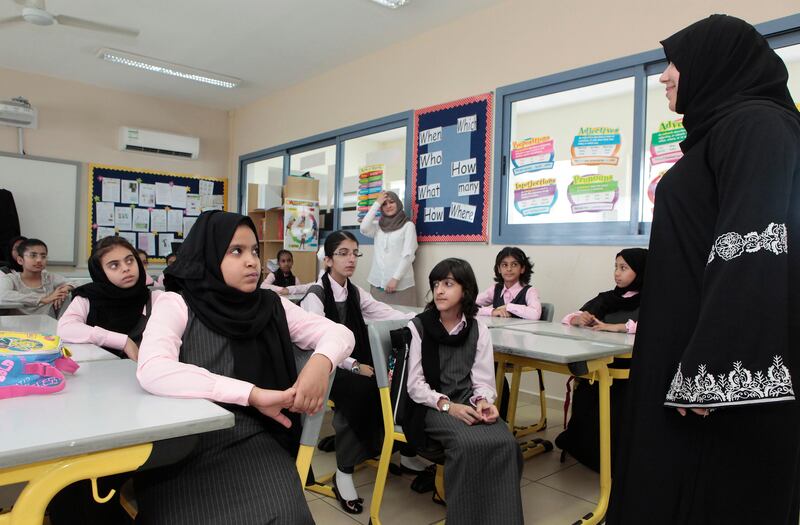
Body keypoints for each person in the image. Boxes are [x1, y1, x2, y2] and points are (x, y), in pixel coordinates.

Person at [607, 15, 800, 525]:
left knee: (715, 491)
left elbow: (755, 251)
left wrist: (713, 369)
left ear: (715, 65)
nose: (666, 76)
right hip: (687, 345)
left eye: (675, 63)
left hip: (720, 370)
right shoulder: (724, 131)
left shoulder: (758, 126)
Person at [134, 210, 355, 525]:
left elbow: (339, 333)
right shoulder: (176, 304)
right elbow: (153, 369)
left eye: (254, 251)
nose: (252, 261)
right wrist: (250, 394)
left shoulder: (270, 305)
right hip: (184, 441)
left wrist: (320, 363)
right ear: (208, 254)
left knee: (289, 515)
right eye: (236, 251)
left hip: (252, 437)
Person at [300, 230, 420, 514]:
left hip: (352, 363)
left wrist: (423, 318)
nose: (351, 259)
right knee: (363, 391)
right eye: (343, 253)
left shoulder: (354, 291)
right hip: (325, 366)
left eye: (355, 252)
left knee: (395, 383)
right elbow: (319, 343)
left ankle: (396, 449)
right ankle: (344, 471)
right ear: (328, 260)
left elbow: (384, 312)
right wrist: (353, 364)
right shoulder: (315, 295)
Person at [404, 258, 524, 524]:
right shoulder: (419, 326)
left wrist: (483, 401)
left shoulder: (478, 328)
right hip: (431, 406)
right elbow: (415, 385)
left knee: (506, 443)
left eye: (448, 284)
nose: (439, 290)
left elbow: (481, 379)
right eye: (436, 284)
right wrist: (449, 406)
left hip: (466, 402)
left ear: (466, 290)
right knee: (467, 444)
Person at [57, 236, 162, 360]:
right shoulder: (88, 297)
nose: (126, 268)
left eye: (130, 261)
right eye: (114, 266)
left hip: (144, 372)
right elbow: (65, 329)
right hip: (97, 372)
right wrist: (122, 341)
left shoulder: (156, 298)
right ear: (100, 271)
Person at [561, 248, 647, 333]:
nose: (616, 273)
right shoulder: (607, 298)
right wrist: (578, 319)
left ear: (640, 270)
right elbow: (567, 319)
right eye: (616, 267)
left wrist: (620, 327)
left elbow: (656, 328)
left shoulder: (652, 302)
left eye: (623, 268)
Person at [360, 190, 418, 306]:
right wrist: (377, 203)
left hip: (400, 286)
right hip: (377, 283)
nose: (388, 206)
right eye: (384, 204)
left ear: (398, 203)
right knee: (376, 321)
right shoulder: (378, 227)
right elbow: (364, 228)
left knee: (402, 320)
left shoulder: (408, 226)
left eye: (391, 202)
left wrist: (395, 279)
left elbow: (408, 255)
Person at [0, 238, 72, 317]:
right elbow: (3, 295)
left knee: (67, 295)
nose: (39, 260)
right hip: (19, 326)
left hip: (49, 326)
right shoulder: (11, 278)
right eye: (33, 255)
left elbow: (75, 283)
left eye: (43, 256)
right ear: (20, 260)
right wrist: (42, 299)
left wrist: (64, 290)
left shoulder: (49, 277)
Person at [476, 246, 541, 319]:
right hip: (496, 330)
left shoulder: (530, 291)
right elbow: (467, 306)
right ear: (499, 269)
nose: (509, 269)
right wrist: (492, 311)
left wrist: (508, 306)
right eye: (504, 265)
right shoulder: (495, 289)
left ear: (522, 269)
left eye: (514, 265)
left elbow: (535, 315)